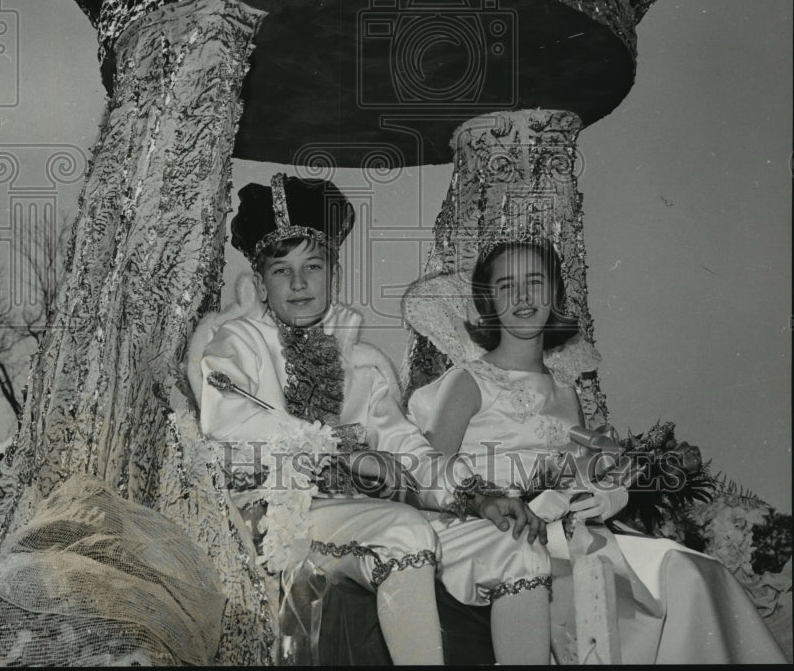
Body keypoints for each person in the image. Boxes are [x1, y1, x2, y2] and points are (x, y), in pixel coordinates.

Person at [189, 175, 551, 665]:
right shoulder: (236, 343)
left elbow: (408, 450)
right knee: (403, 530)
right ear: (260, 283)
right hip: (286, 517)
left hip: (366, 512)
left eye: (313, 267)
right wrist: (337, 450)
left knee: (518, 546)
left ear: (332, 273)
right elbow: (227, 425)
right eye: (282, 271)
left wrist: (477, 496)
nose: (299, 284)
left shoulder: (361, 363)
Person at [408, 239, 788, 664]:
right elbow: (426, 476)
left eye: (535, 282)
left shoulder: (564, 391)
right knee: (608, 591)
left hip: (571, 531)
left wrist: (608, 491)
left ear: (555, 296)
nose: (522, 297)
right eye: (505, 286)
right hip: (504, 535)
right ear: (487, 301)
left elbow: (581, 473)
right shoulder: (467, 382)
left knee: (690, 570)